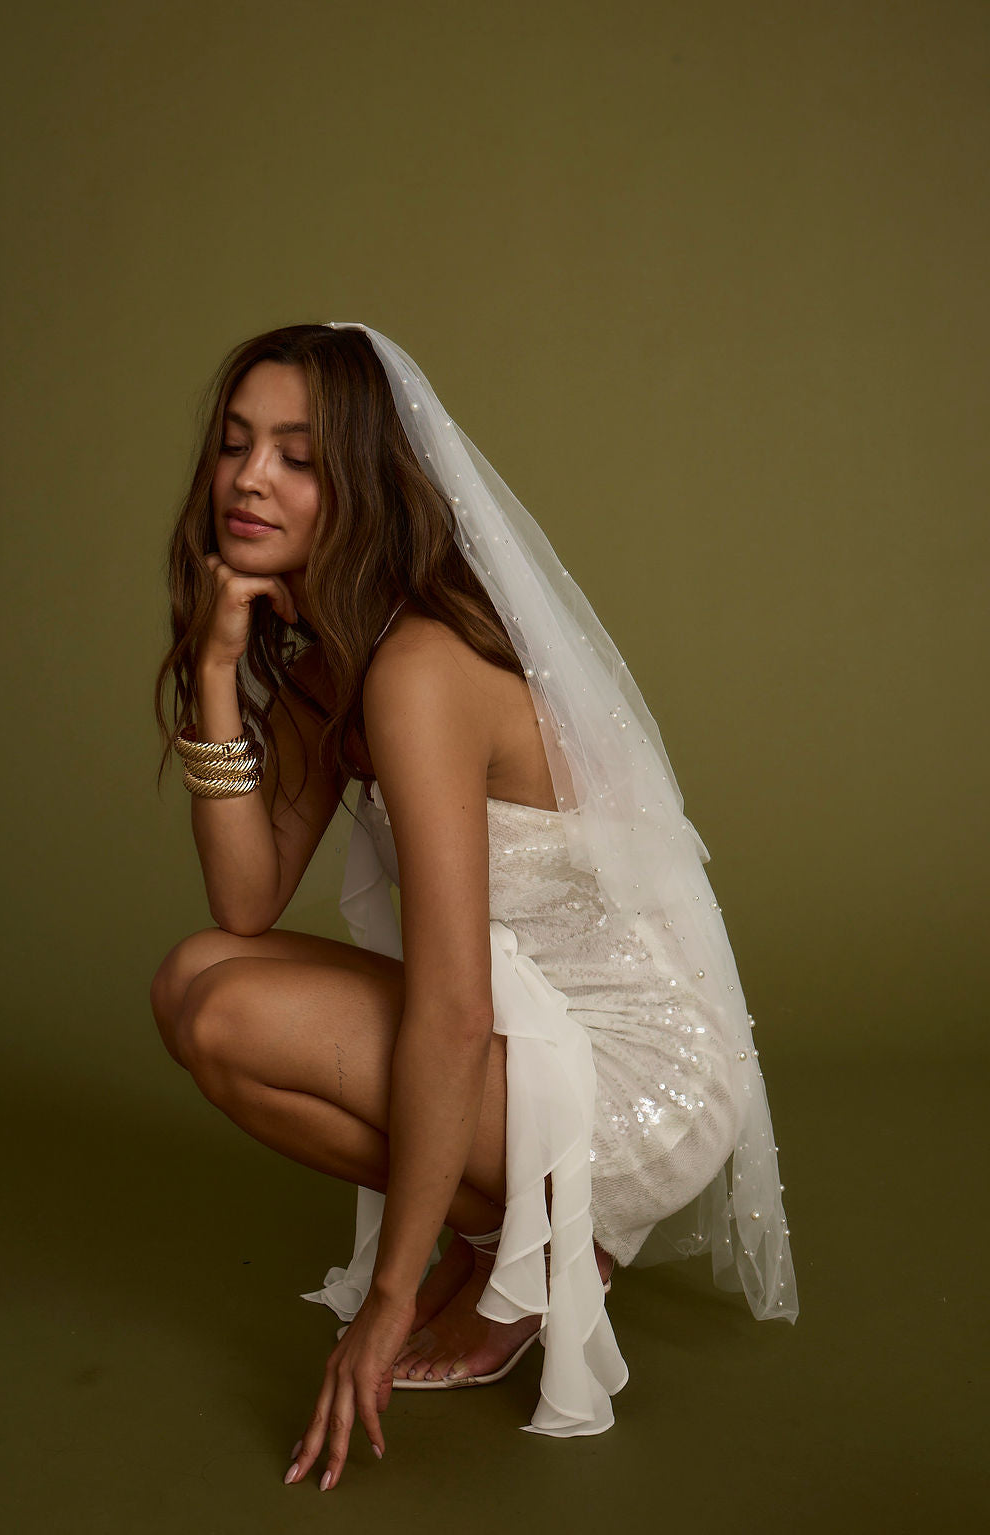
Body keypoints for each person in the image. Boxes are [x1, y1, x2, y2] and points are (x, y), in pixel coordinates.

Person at [151, 322, 798, 1494]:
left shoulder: (418, 667)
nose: (250, 478)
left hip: (638, 1071)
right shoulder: (332, 654)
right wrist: (211, 670)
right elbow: (243, 901)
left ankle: (533, 1250)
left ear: (360, 480)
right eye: (236, 444)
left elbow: (449, 1006)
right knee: (193, 976)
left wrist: (387, 1300)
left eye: (297, 456)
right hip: (524, 1032)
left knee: (228, 1015)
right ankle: (516, 1230)